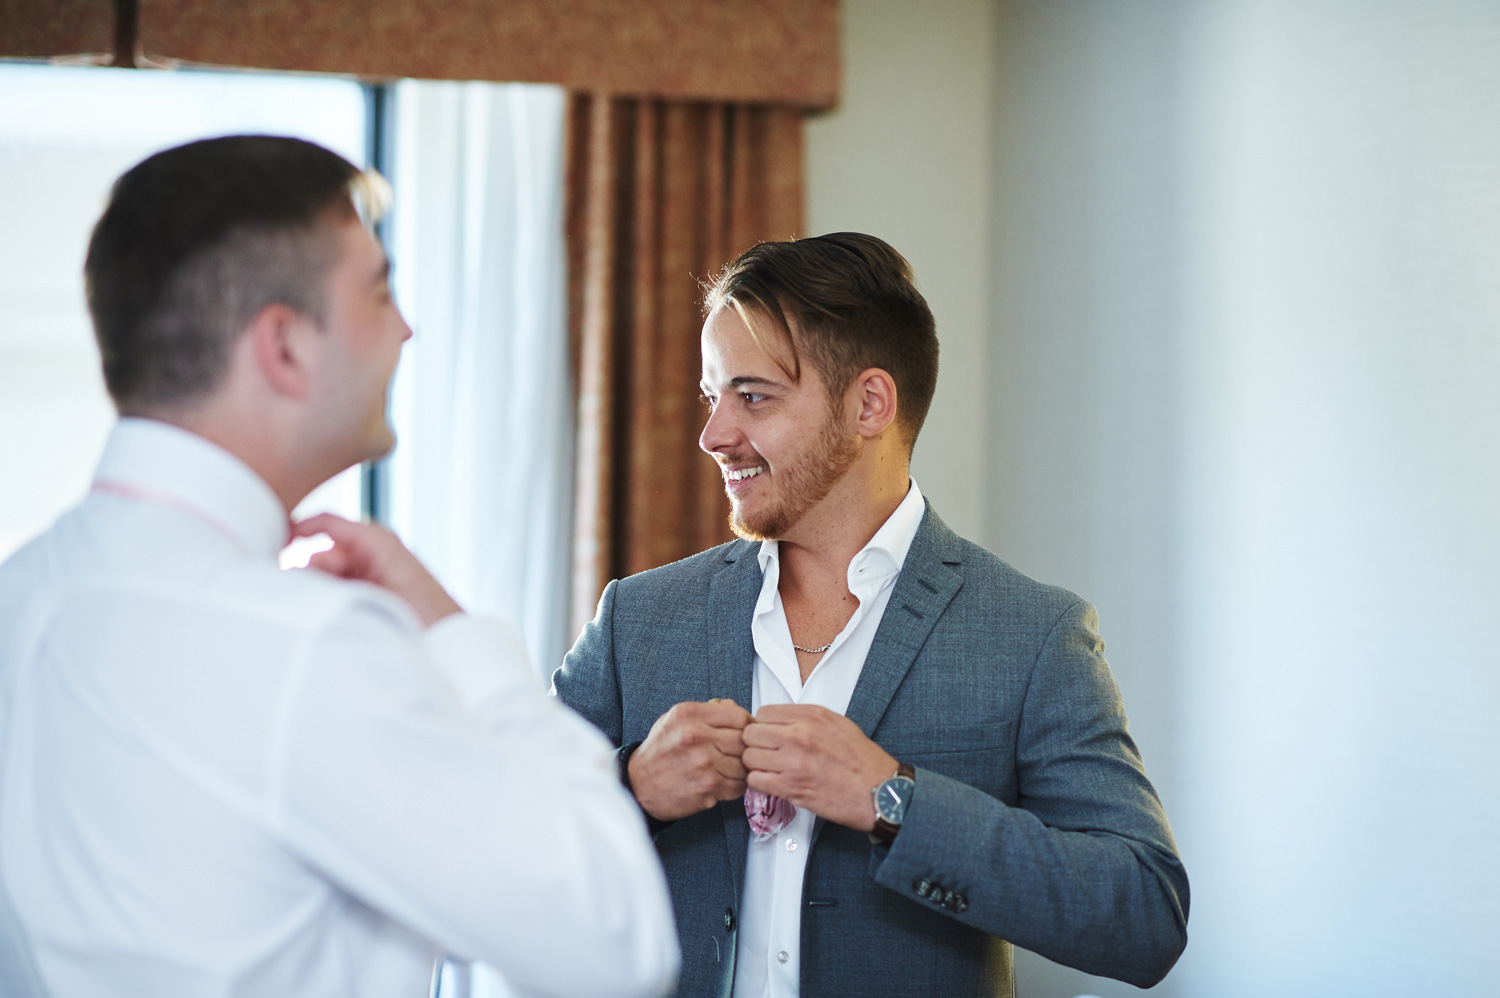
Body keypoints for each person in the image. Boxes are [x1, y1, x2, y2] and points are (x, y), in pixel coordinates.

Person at [0, 135, 678, 998]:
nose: (406, 327)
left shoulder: (20, 597)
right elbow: (617, 942)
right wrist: (462, 644)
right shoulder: (305, 648)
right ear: (284, 348)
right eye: (380, 292)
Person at [552, 232, 1189, 997]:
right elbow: (492, 845)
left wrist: (895, 800)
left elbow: (1143, 915)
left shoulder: (1032, 635)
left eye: (751, 396)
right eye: (710, 396)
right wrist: (633, 790)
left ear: (869, 404)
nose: (713, 434)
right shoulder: (638, 620)